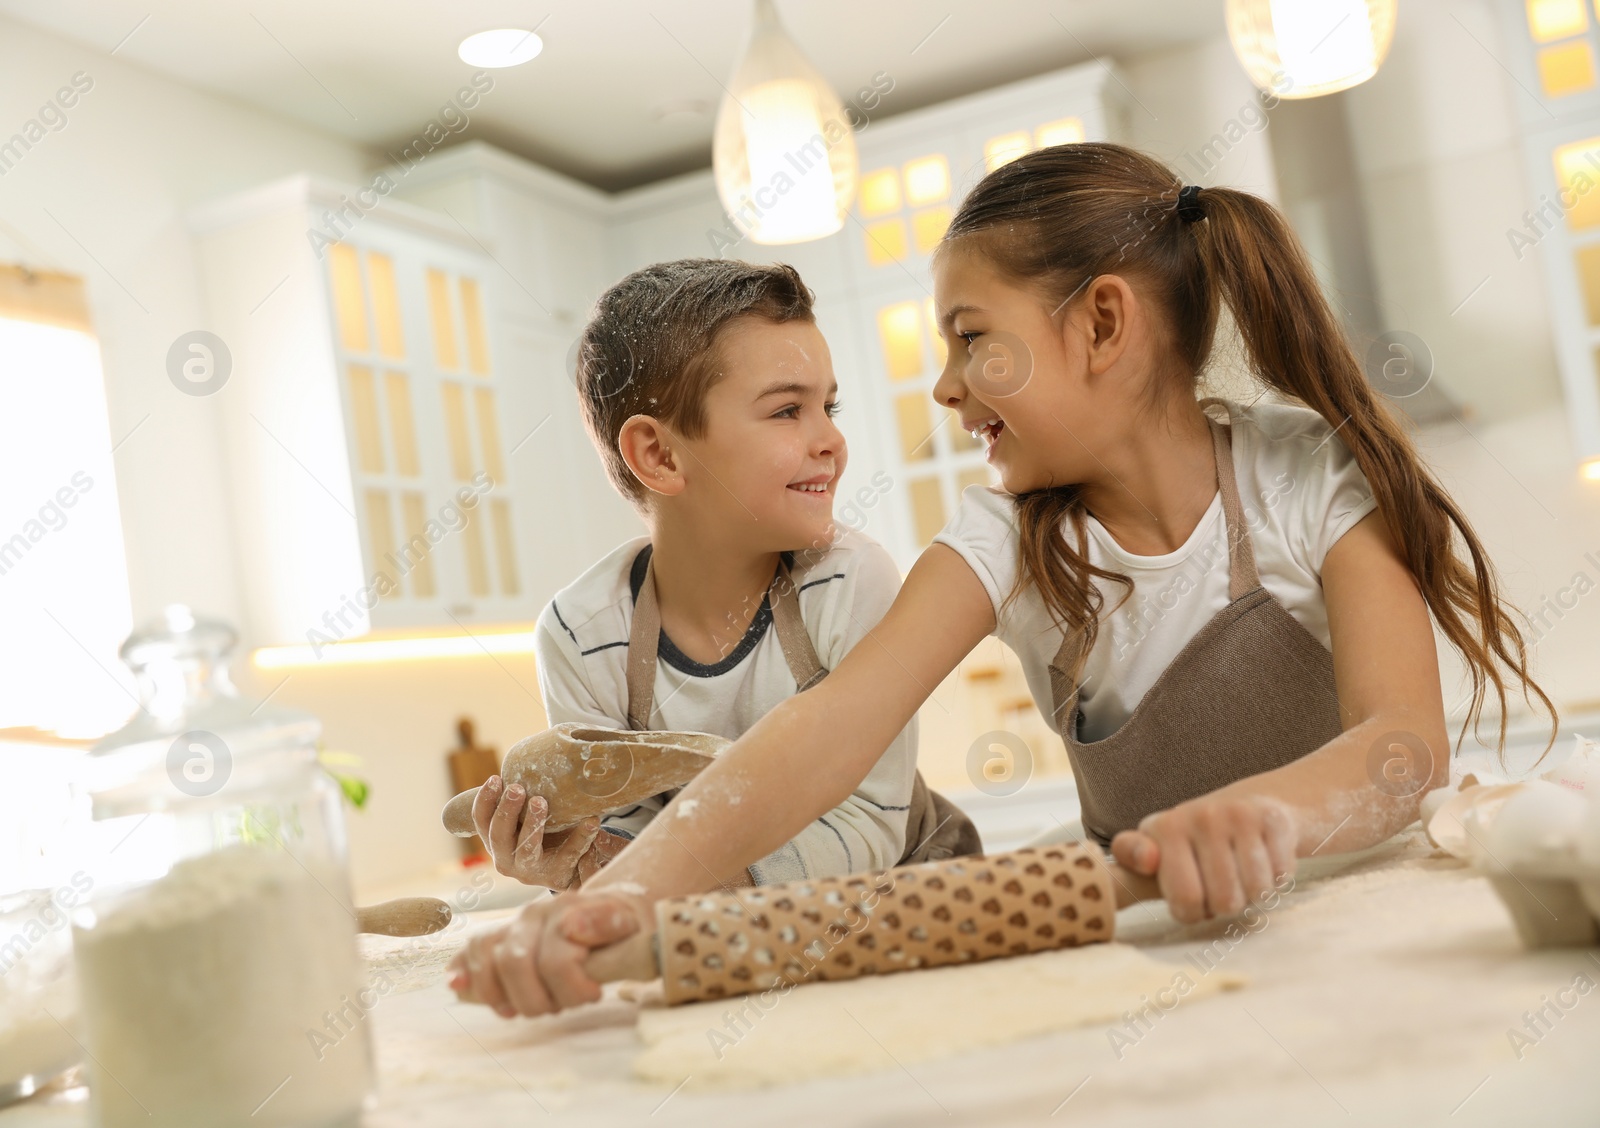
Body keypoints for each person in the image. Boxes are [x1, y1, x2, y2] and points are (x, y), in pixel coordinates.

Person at [450, 142, 1553, 1018]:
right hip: (1164, 965)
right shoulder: (1006, 537)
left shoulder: (1306, 475)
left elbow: (1402, 747)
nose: (940, 386)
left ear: (1102, 325)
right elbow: (831, 725)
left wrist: (1257, 816)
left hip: (1374, 930)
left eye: (971, 338)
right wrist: (631, 888)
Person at [462, 258, 977, 920]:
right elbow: (622, 837)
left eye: (829, 405)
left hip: (911, 886)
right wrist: (574, 859)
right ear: (661, 456)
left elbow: (867, 826)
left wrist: (637, 882)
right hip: (724, 924)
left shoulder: (848, 578)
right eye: (788, 410)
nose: (832, 440)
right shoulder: (581, 634)